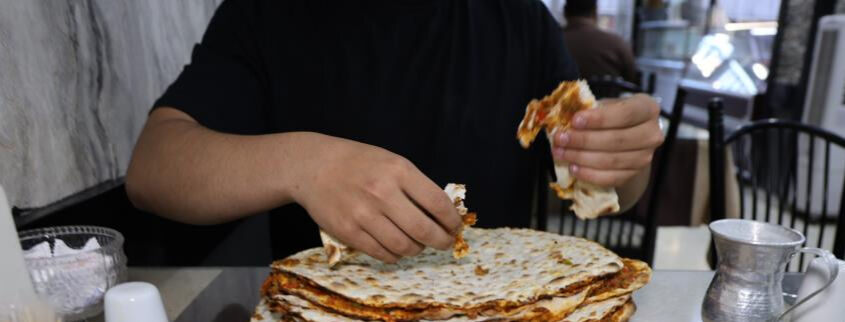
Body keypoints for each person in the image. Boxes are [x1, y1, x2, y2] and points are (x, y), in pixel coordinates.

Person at [126, 0, 662, 263]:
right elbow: (153, 169)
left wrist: (621, 159)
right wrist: (304, 165)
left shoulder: (517, 18)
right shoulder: (267, 13)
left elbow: (604, 190)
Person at [562, 0, 639, 85]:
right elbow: (631, 78)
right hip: (609, 96)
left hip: (561, 98)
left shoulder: (551, 42)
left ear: (565, 12)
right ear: (595, 12)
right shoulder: (617, 43)